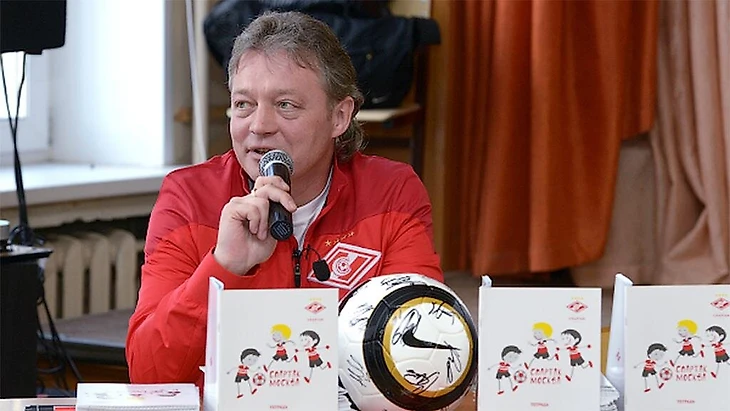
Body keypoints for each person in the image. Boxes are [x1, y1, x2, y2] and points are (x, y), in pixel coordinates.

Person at [125, 10, 443, 394]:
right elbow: (149, 374)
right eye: (244, 104)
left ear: (339, 116)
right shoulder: (188, 196)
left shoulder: (392, 191)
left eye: (286, 105)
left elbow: (421, 350)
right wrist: (224, 266)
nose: (259, 126)